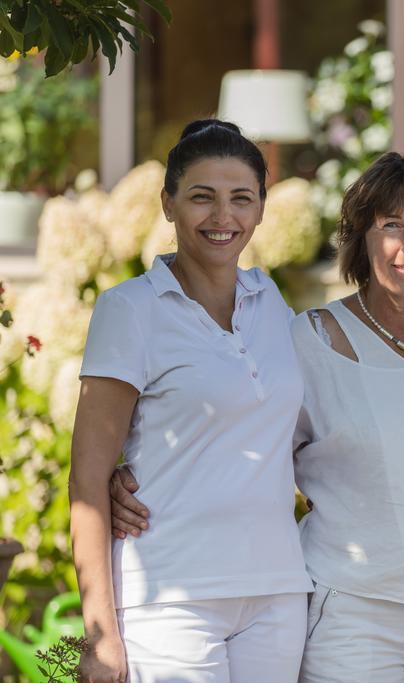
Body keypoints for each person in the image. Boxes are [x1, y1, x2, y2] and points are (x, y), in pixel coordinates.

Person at [109, 152, 404, 682]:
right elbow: (237, 430)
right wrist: (126, 477)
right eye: (390, 225)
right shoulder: (306, 339)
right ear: (360, 237)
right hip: (355, 614)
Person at [70, 120, 312, 683]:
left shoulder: (272, 303)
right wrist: (99, 635)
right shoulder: (129, 309)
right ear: (169, 205)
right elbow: (86, 480)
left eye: (241, 200)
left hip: (275, 591)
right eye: (202, 197)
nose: (223, 217)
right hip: (169, 597)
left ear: (260, 210)